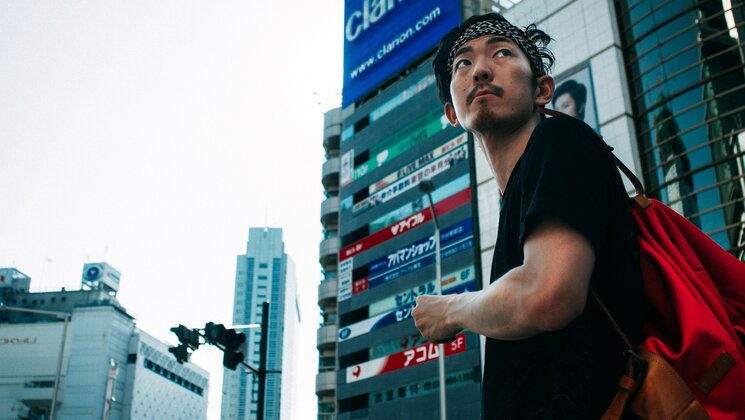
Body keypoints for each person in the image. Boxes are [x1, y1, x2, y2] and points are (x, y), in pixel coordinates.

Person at [411, 13, 642, 418]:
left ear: (543, 90)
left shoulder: (560, 142)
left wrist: (451, 311)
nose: (480, 69)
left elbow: (546, 294)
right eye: (463, 63)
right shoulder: (520, 193)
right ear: (451, 113)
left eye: (501, 53)